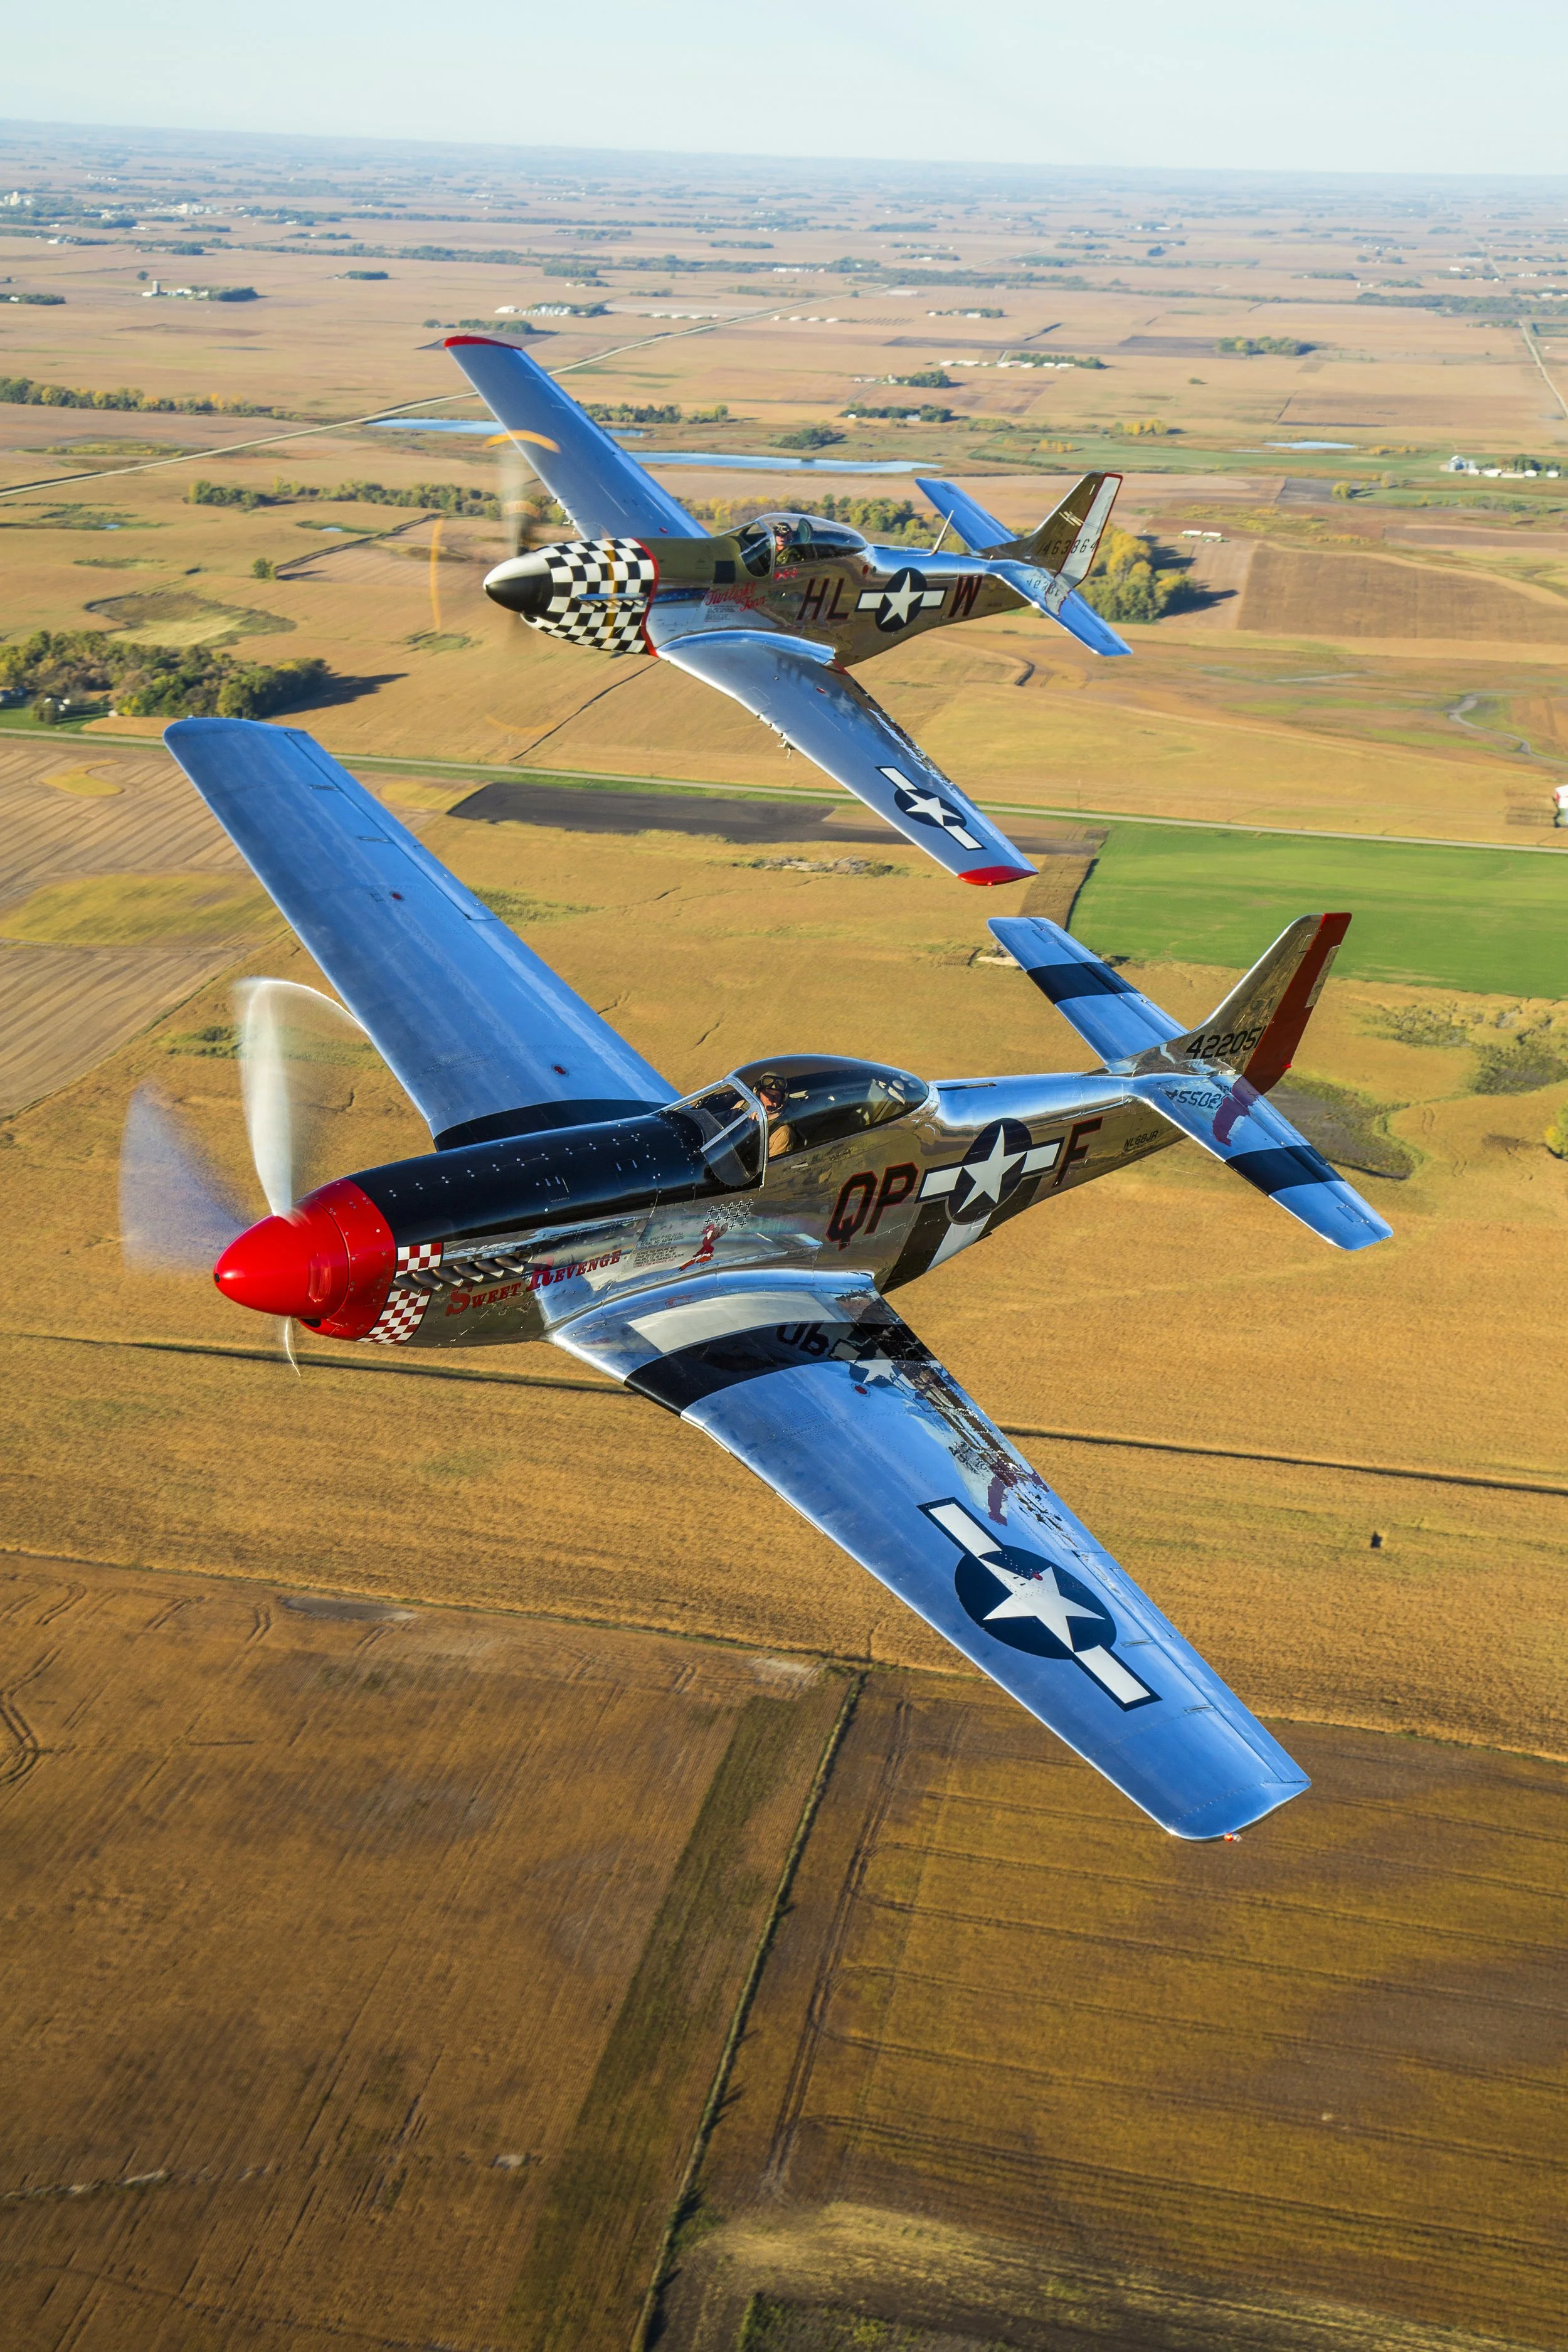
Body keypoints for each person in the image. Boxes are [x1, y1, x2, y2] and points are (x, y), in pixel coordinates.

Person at [755, 1073, 798, 1159]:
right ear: (758, 1093)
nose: (771, 1100)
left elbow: (771, 1168)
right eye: (767, 1094)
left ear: (783, 1099)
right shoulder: (742, 1108)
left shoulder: (782, 1132)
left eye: (776, 1096)